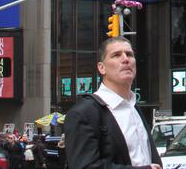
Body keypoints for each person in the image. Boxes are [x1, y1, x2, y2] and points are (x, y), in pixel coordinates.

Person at [65, 36, 162, 169]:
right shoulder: (83, 113)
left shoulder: (134, 107)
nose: (125, 59)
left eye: (129, 54)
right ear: (102, 68)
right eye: (116, 55)